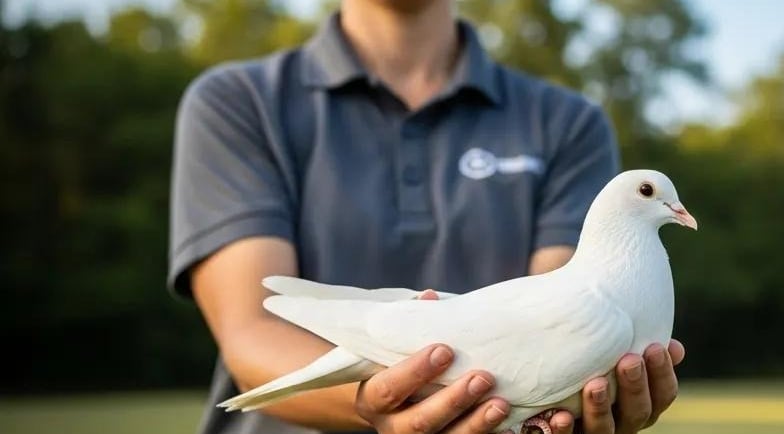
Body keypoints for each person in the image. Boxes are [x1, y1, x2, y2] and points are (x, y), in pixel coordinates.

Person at [168, 1, 685, 434]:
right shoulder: (238, 103)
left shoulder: (569, 122)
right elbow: (251, 329)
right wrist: (384, 403)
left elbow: (556, 312)